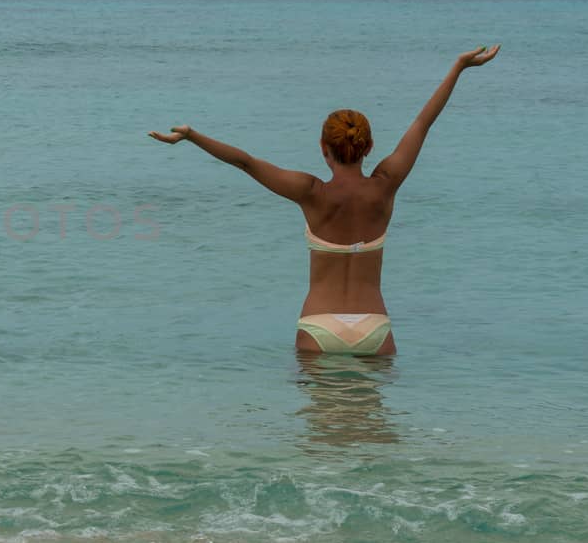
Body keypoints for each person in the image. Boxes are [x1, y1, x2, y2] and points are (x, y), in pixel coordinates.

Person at [149, 45, 500, 355]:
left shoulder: (311, 192)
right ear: (369, 148)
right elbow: (423, 123)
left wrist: (193, 136)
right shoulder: (385, 185)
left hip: (320, 327)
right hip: (373, 328)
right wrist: (458, 68)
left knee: (321, 430)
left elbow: (246, 162)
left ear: (323, 149)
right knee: (373, 428)